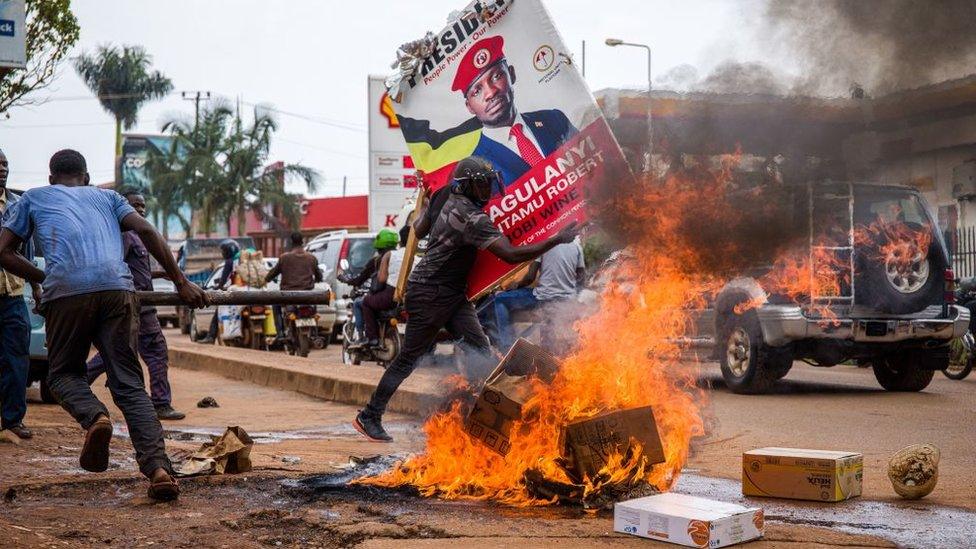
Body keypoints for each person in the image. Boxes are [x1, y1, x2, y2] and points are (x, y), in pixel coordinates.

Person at [0, 149, 208, 501]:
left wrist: (46, 277)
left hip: (66, 295)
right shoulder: (108, 197)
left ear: (52, 178)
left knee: (63, 375)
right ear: (86, 177)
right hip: (117, 289)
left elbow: (3, 251)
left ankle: (95, 417)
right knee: (128, 383)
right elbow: (146, 230)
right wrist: (181, 282)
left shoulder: (33, 197)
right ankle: (158, 469)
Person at [353, 156, 578, 442]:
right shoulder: (473, 218)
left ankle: (486, 418)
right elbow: (510, 254)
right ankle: (369, 415)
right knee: (409, 358)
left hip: (452, 295)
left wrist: (425, 205)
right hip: (430, 293)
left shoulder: (443, 194)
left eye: (489, 186)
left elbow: (418, 230)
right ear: (467, 186)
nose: (487, 193)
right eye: (482, 187)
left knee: (482, 352)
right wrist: (556, 239)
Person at [85, 191, 186, 421]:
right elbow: (117, 266)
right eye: (135, 205)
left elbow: (137, 270)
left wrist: (162, 273)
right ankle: (161, 403)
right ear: (123, 207)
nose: (140, 210)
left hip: (139, 303)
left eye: (142, 206)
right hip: (137, 305)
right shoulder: (124, 235)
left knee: (115, 351)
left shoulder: (134, 236)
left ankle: (75, 384)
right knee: (156, 351)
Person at [452, 35, 578, 187]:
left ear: (511, 74)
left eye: (496, 76)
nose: (491, 92)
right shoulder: (473, 171)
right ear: (469, 106)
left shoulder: (554, 119)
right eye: (477, 91)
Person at [491, 239, 586, 351]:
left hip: (543, 297)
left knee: (500, 299)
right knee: (547, 339)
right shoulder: (576, 246)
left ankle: (508, 347)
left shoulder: (544, 244)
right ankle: (549, 353)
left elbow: (530, 278)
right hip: (566, 300)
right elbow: (582, 277)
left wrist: (514, 286)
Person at [0, 148, 34, 440]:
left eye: (5, 164)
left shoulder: (17, 204)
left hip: (12, 295)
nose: (2, 169)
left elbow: (28, 252)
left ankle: (13, 419)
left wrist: (35, 282)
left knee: (17, 357)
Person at [338, 229, 399, 347]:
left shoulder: (378, 260)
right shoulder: (400, 257)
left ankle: (366, 337)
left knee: (360, 303)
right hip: (400, 298)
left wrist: (347, 280)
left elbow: (361, 279)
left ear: (379, 245)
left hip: (385, 296)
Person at [265, 232, 323, 340]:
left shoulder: (284, 258)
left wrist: (267, 279)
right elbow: (319, 275)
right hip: (307, 295)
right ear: (302, 242)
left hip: (288, 296)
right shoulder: (311, 258)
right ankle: (315, 333)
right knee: (314, 310)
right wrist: (318, 279)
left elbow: (272, 274)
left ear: (291, 243)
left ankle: (281, 333)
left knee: (275, 304)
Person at [199, 238, 241, 343]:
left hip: (234, 292)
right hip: (247, 291)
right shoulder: (240, 259)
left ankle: (211, 337)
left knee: (217, 313)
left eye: (223, 251)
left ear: (228, 251)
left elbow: (223, 280)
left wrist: (219, 286)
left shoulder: (229, 262)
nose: (222, 253)